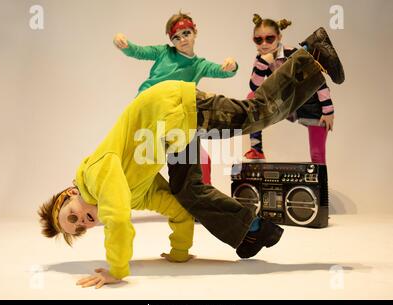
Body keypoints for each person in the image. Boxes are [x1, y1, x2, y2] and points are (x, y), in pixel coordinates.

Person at [38, 27, 344, 289]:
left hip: (172, 109)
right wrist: (179, 252)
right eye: (79, 229)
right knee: (187, 192)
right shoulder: (133, 193)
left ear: (71, 194)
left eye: (72, 216)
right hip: (170, 133)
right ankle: (253, 230)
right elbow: (176, 210)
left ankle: (309, 52)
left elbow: (118, 219)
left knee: (257, 113)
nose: (83, 222)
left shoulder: (96, 173)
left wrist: (117, 270)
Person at [113, 11, 238, 185]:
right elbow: (139, 51)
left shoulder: (199, 65)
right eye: (176, 37)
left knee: (202, 158)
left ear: (195, 32)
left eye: (186, 33)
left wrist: (231, 65)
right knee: (135, 156)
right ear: (171, 40)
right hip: (148, 107)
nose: (182, 40)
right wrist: (123, 43)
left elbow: (222, 71)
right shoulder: (164, 52)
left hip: (173, 116)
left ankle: (203, 196)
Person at [244, 14, 336, 164]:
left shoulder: (293, 54)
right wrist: (263, 63)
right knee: (251, 97)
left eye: (269, 38)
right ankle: (256, 149)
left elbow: (319, 81)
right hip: (286, 102)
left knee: (317, 154)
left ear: (279, 37)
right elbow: (256, 88)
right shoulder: (261, 59)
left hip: (309, 103)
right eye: (258, 40)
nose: (264, 44)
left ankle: (320, 184)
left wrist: (328, 111)